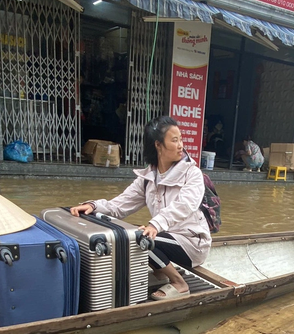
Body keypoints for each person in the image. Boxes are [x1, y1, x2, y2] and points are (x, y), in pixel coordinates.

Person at [70, 116, 211, 300]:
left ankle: (179, 283)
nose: (181, 146)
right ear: (158, 145)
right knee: (130, 231)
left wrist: (155, 225)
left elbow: (184, 205)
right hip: (168, 236)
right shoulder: (148, 179)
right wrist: (93, 205)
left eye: (181, 139)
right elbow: (119, 205)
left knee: (139, 237)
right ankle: (161, 273)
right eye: (174, 140)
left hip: (192, 242)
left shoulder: (192, 174)